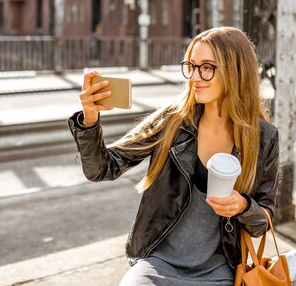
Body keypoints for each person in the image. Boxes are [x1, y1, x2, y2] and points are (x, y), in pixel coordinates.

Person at [68, 27, 280, 285]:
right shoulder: (171, 121)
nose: (194, 77)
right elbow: (102, 168)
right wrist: (90, 121)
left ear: (235, 71)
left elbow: (263, 220)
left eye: (207, 67)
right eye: (191, 66)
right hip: (159, 263)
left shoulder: (264, 138)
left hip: (219, 269)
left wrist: (243, 207)